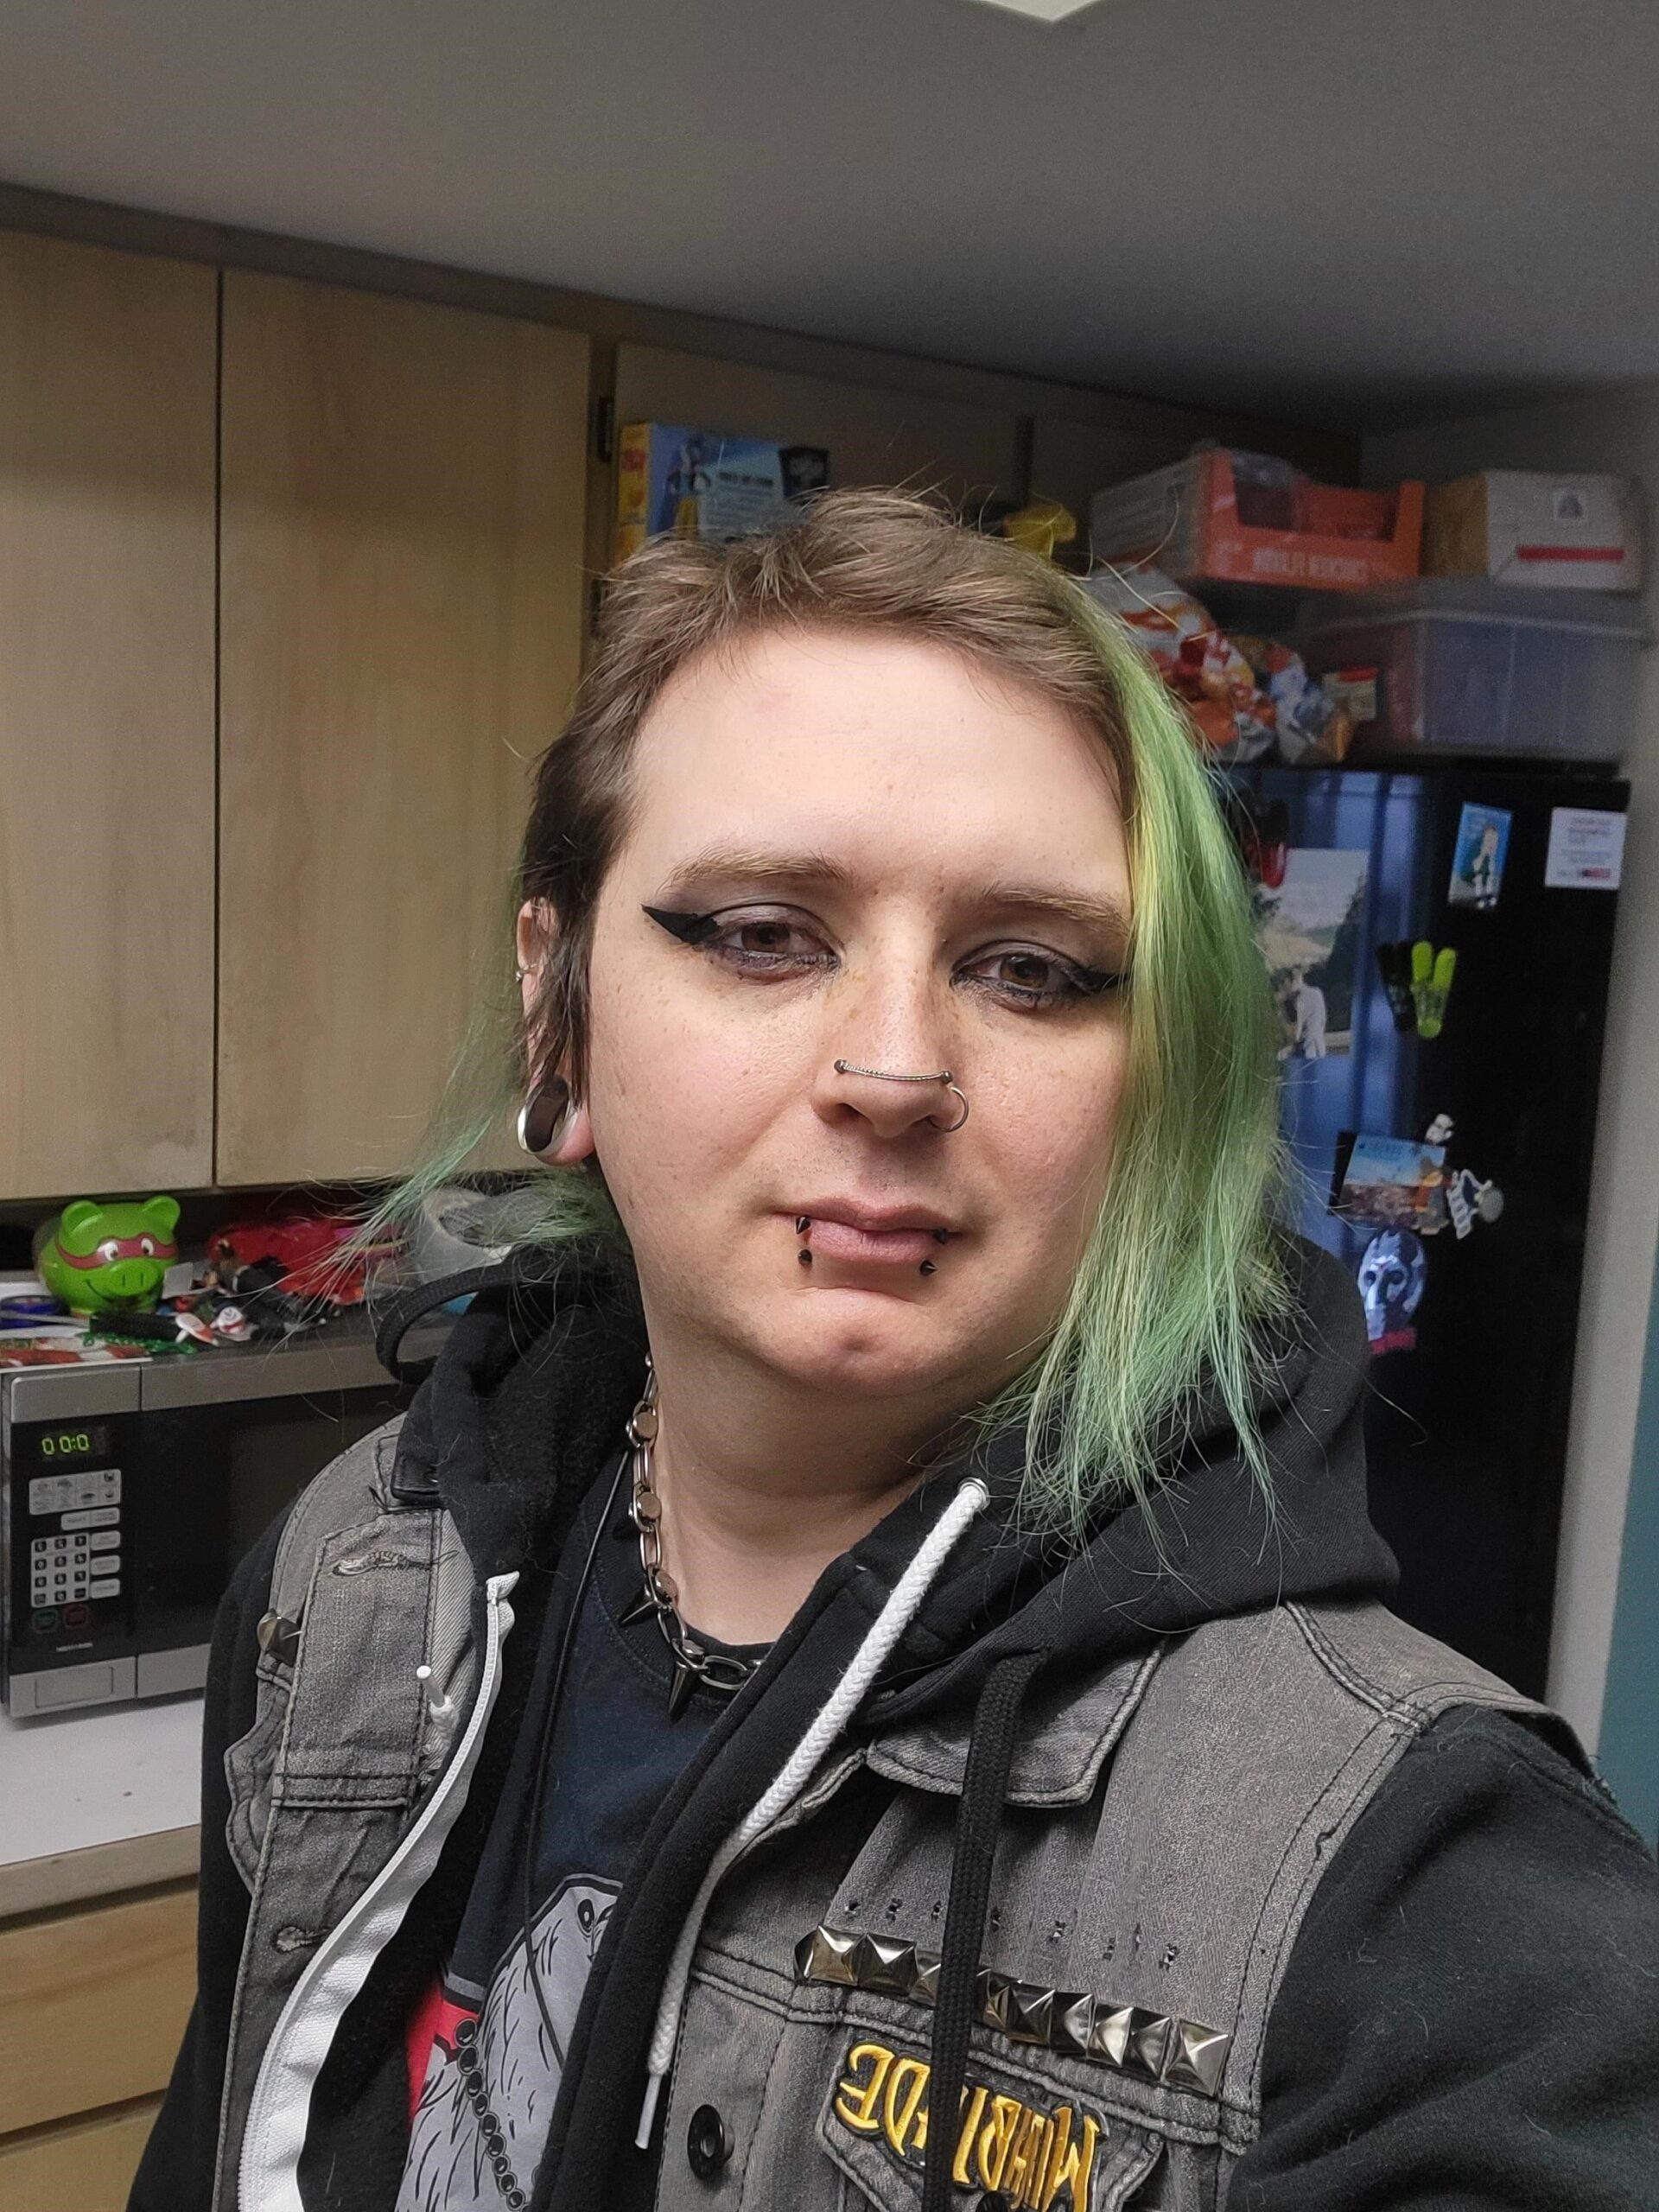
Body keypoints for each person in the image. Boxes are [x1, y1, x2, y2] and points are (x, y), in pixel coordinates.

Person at [135, 492, 1658, 2212]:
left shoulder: (1418, 1875)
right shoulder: (347, 1582)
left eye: (1031, 969)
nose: (897, 1069)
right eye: (764, 933)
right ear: (559, 1010)